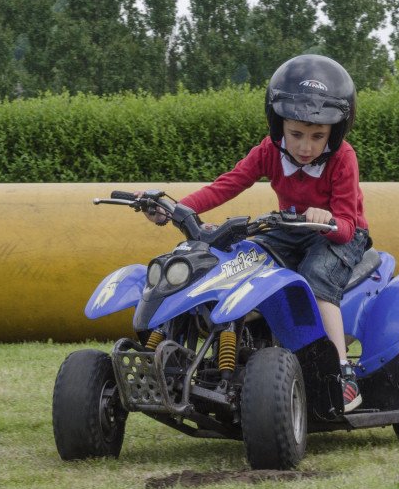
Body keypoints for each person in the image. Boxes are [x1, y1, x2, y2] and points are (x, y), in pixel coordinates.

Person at [145, 54, 369, 412]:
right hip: (289, 228)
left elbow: (345, 226)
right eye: (296, 134)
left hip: (338, 235)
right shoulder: (269, 151)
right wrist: (177, 207)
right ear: (279, 125)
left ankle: (341, 375)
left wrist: (325, 219)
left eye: (317, 136)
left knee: (315, 277)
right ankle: (233, 353)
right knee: (239, 259)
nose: (306, 146)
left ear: (335, 132)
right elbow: (228, 184)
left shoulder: (343, 158)